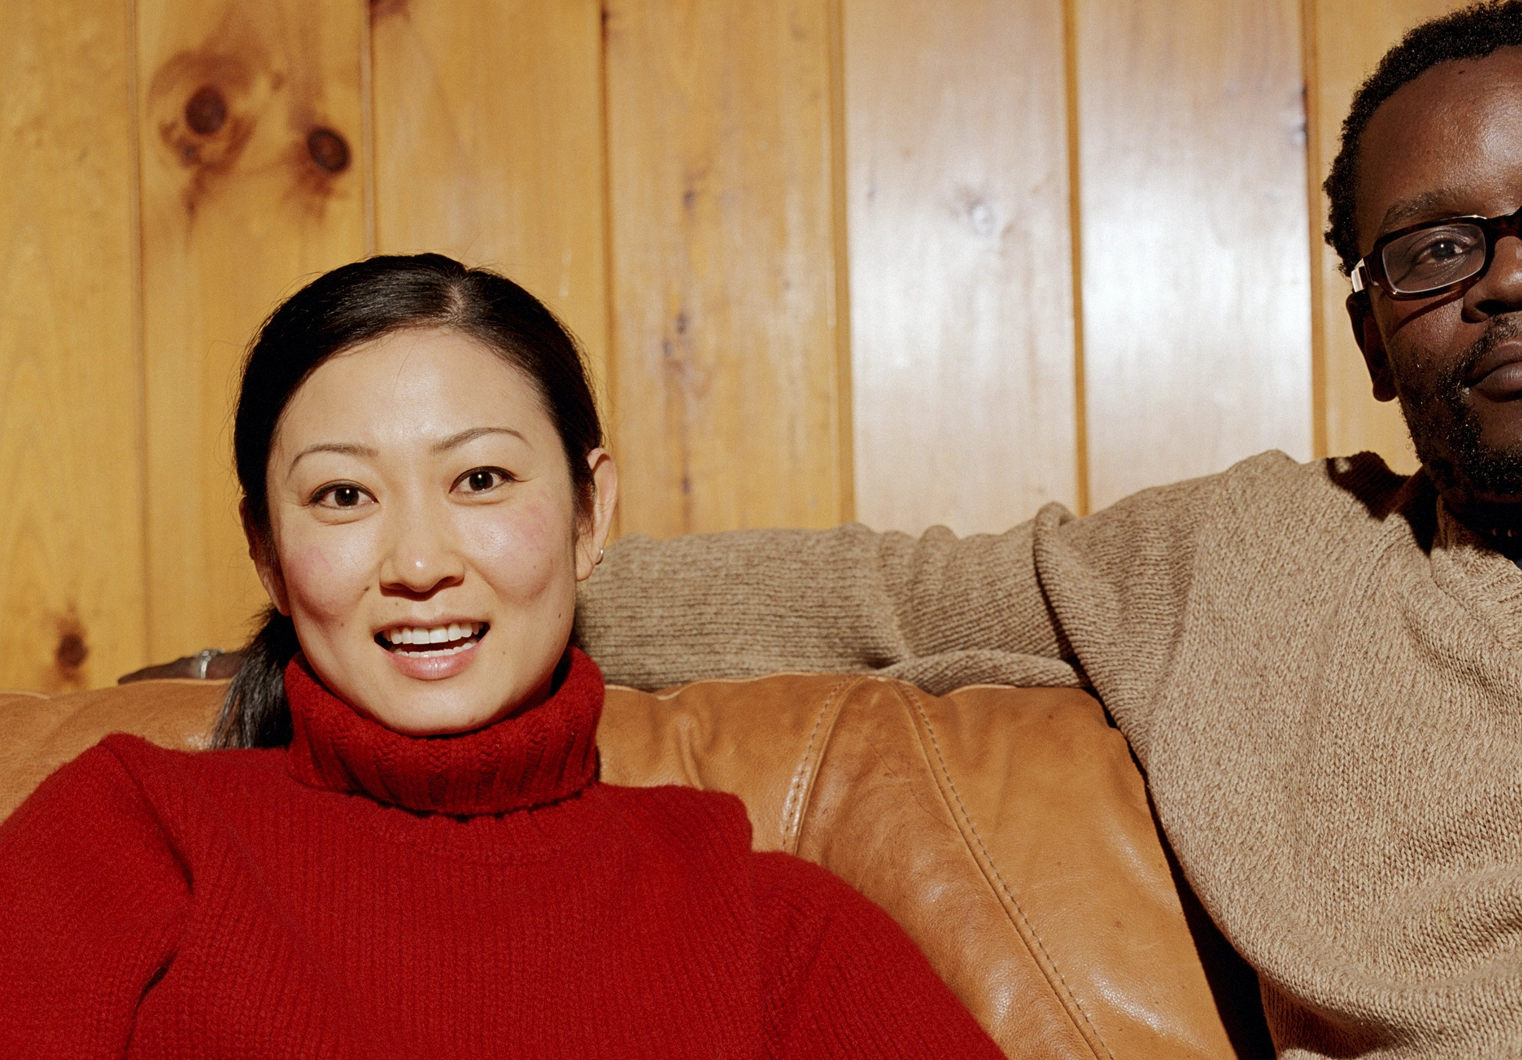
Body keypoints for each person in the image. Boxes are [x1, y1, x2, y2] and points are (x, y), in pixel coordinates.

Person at [574, 0, 1522, 1059]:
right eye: (1435, 250)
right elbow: (867, 598)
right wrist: (433, 576)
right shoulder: (1251, 565)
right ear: (1372, 339)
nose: (1513, 276)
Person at [0, 254, 1005, 1059]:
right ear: (266, 548)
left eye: (479, 478)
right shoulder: (125, 839)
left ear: (589, 510)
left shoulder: (766, 931)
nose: (421, 561)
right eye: (343, 495)